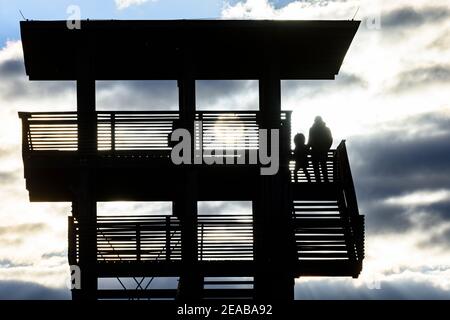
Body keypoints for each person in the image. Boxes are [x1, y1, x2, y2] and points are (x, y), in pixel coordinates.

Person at [308, 116, 333, 182]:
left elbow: (310, 141)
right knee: (323, 168)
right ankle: (325, 182)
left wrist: (306, 148)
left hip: (315, 152)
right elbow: (330, 140)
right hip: (322, 152)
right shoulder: (326, 129)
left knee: (318, 169)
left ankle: (320, 182)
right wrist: (326, 148)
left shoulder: (312, 129)